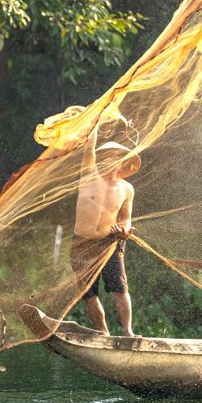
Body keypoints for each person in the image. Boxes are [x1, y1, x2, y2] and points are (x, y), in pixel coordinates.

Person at [71, 128, 139, 336]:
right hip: (82, 242)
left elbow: (126, 217)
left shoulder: (127, 188)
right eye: (107, 157)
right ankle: (103, 333)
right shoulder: (89, 176)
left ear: (122, 162)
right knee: (89, 293)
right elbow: (89, 151)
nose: (111, 161)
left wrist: (125, 229)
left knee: (120, 286)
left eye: (116, 158)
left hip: (110, 241)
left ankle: (127, 332)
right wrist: (95, 124)